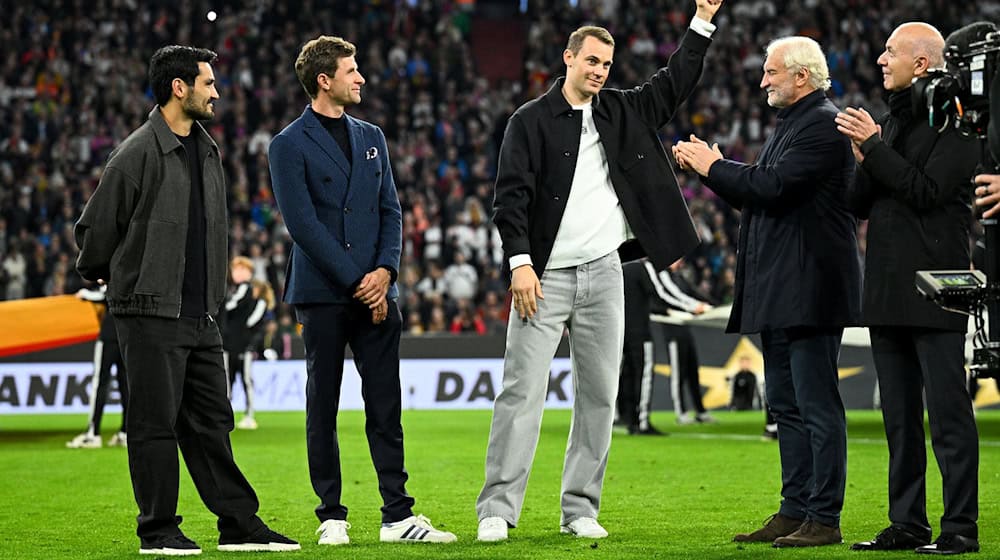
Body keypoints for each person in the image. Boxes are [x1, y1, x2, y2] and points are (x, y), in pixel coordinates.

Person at [476, 0, 725, 543]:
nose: (598, 71)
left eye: (606, 65)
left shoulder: (624, 110)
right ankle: (497, 508)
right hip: (543, 279)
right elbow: (509, 199)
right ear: (567, 58)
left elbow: (675, 80)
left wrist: (702, 20)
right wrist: (520, 263)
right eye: (590, 60)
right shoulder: (529, 121)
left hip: (605, 274)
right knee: (520, 394)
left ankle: (580, 508)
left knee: (599, 396)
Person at [74, 45, 299, 555]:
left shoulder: (206, 148)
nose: (217, 92)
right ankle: (157, 530)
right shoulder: (136, 153)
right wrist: (117, 278)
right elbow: (94, 232)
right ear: (181, 88)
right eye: (208, 83)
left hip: (201, 314)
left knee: (213, 422)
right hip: (149, 311)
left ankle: (238, 525)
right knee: (153, 426)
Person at [674, 36, 861, 547]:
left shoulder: (823, 124)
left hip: (810, 289)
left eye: (771, 73)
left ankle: (824, 517)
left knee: (816, 404)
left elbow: (772, 187)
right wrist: (718, 172)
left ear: (801, 76)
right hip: (782, 289)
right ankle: (795, 508)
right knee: (785, 405)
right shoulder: (795, 126)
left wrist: (714, 167)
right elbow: (763, 196)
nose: (762, 82)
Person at [268, 35, 456, 546]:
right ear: (324, 80)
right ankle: (331, 515)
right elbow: (302, 226)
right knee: (322, 404)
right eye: (352, 71)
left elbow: (391, 210)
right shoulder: (286, 144)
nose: (362, 79)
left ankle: (398, 516)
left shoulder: (372, 135)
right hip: (325, 292)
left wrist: (385, 273)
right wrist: (360, 281)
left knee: (385, 405)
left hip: (377, 290)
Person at [835, 22, 980, 555]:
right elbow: (859, 204)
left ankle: (960, 527)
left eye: (891, 52)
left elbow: (927, 191)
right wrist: (865, 154)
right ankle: (908, 524)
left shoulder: (959, 124)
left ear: (922, 63)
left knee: (948, 417)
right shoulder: (892, 122)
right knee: (898, 420)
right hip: (888, 287)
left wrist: (875, 148)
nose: (879, 59)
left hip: (939, 286)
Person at [618, 258, 712, 436]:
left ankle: (629, 419)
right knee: (643, 375)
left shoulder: (619, 265)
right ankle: (642, 422)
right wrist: (692, 307)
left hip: (621, 331)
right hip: (640, 331)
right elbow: (660, 294)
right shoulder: (644, 266)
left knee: (627, 375)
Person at [65, 284, 128, 449]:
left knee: (99, 383)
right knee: (126, 385)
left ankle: (93, 434)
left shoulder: (113, 275)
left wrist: (85, 293)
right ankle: (125, 433)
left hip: (109, 336)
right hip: (126, 335)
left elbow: (106, 295)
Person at [222, 256, 268, 431]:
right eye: (235, 269)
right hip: (230, 343)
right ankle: (229, 415)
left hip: (240, 344)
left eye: (242, 270)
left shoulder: (244, 289)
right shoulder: (236, 290)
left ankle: (248, 415)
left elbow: (229, 306)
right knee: (229, 380)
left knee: (243, 379)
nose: (238, 273)